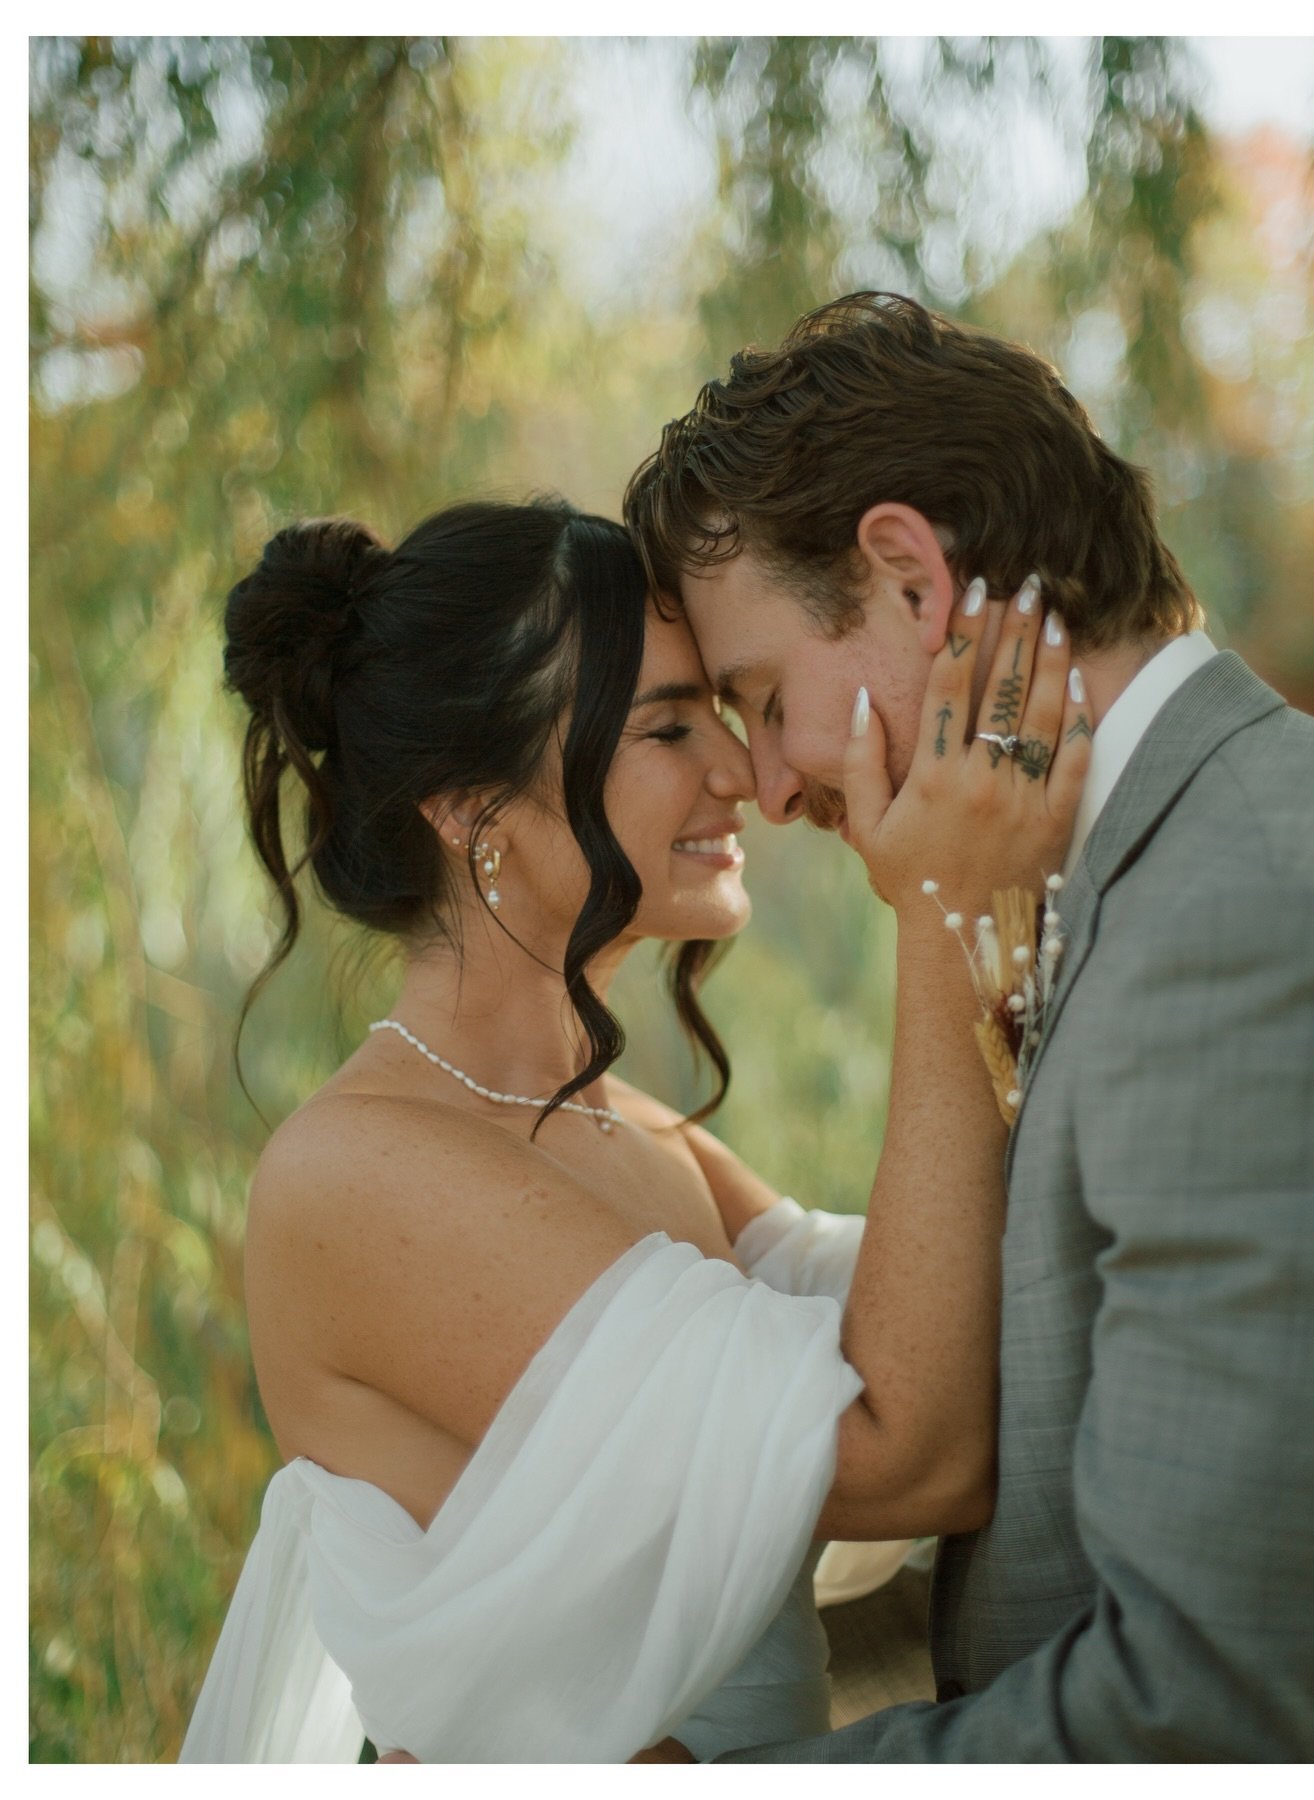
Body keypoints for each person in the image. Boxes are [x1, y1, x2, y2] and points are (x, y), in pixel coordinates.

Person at [622, 291, 1314, 1762]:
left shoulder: (1258, 922)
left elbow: (1219, 1716)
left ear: (911, 581)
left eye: (763, 696)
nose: (773, 790)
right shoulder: (1149, 880)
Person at [179, 497, 1090, 1761]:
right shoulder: (354, 1173)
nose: (739, 771)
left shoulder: (648, 1138)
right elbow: (907, 1458)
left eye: (722, 709)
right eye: (669, 725)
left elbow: (968, 1318)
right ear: (469, 808)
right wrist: (942, 916)